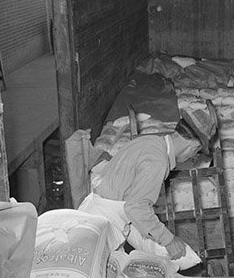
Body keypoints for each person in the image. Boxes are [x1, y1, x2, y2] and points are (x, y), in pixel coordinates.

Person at [78, 107, 216, 262]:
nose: (192, 156)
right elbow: (136, 207)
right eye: (195, 153)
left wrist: (157, 244)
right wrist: (168, 240)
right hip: (104, 225)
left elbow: (130, 204)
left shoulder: (149, 141)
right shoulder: (158, 161)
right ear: (193, 147)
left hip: (98, 213)